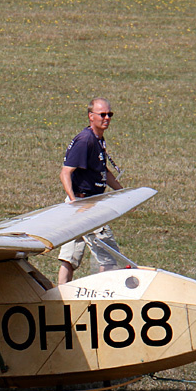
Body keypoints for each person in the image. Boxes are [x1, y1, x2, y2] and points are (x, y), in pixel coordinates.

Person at [57, 98, 124, 284]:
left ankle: (61, 295)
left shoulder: (98, 139)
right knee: (109, 258)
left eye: (110, 114)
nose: (107, 118)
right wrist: (73, 200)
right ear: (91, 116)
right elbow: (65, 173)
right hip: (85, 206)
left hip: (84, 205)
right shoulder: (85, 140)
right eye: (102, 115)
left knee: (68, 258)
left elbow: (103, 171)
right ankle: (102, 296)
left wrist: (123, 192)